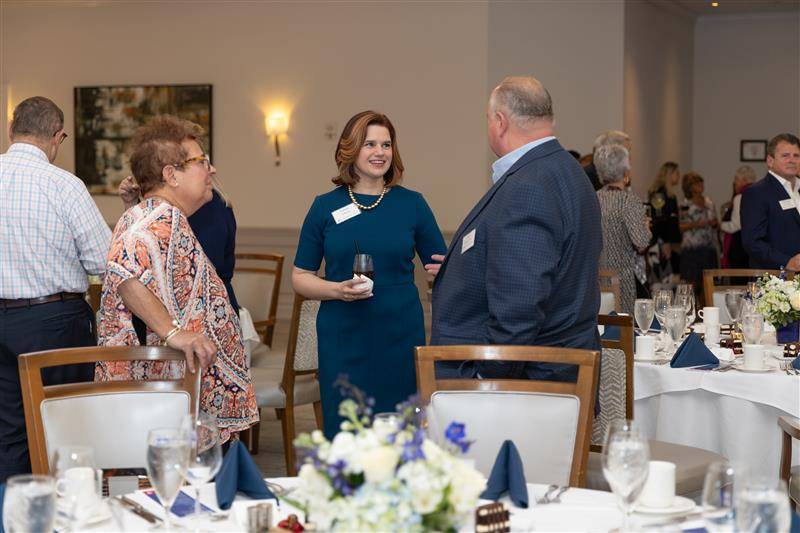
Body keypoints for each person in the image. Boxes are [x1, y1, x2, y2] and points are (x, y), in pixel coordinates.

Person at [427, 76, 602, 381]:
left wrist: (488, 378)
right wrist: (466, 266)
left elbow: (519, 307)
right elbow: (544, 264)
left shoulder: (528, 185)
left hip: (525, 386)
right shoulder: (569, 170)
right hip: (559, 373)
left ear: (499, 122)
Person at [95, 115, 257, 443]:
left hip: (188, 394)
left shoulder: (170, 218)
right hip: (166, 403)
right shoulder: (152, 220)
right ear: (171, 174)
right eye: (201, 162)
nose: (210, 169)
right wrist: (173, 333)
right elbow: (124, 274)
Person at [292, 110, 446, 438]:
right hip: (342, 334)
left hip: (400, 332)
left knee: (399, 427)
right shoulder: (324, 206)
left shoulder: (413, 204)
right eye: (370, 144)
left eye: (386, 144)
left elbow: (439, 264)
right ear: (350, 150)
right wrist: (337, 290)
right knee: (346, 427)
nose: (380, 152)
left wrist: (447, 270)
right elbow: (301, 276)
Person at [0, 96, 111, 482]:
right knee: (63, 427)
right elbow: (103, 261)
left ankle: (11, 518)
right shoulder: (64, 185)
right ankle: (62, 518)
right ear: (57, 137)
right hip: (55, 322)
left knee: (7, 435)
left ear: (11, 130)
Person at [119, 176, 239, 311]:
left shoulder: (208, 206)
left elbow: (201, 268)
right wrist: (132, 205)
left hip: (205, 307)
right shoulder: (174, 206)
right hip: (183, 305)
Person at [596, 144, 651, 314]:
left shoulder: (592, 197)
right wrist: (647, 226)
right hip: (621, 281)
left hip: (595, 279)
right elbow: (641, 242)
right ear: (625, 171)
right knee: (622, 333)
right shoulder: (628, 201)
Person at [741, 133, 800, 271]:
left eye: (796, 156)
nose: (792, 160)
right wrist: (786, 262)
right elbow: (752, 242)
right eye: (785, 155)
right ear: (770, 161)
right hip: (774, 281)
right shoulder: (756, 193)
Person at [679, 172, 719, 303]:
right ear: (690, 187)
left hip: (708, 248)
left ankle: (704, 309)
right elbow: (680, 226)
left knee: (707, 283)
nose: (701, 186)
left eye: (702, 183)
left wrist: (714, 223)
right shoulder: (685, 204)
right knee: (692, 282)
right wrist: (696, 224)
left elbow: (715, 222)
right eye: (697, 183)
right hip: (692, 249)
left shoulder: (708, 201)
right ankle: (690, 309)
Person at [648, 162, 682, 276]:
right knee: (665, 279)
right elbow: (659, 220)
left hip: (671, 241)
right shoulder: (658, 194)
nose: (679, 175)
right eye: (676, 173)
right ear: (669, 174)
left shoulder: (670, 194)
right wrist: (665, 242)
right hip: (662, 242)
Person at [720, 165, 756, 268]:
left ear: (744, 180)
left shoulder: (740, 197)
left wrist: (721, 225)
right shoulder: (758, 194)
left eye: (736, 179)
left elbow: (736, 225)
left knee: (738, 280)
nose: (734, 183)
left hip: (740, 244)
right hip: (754, 244)